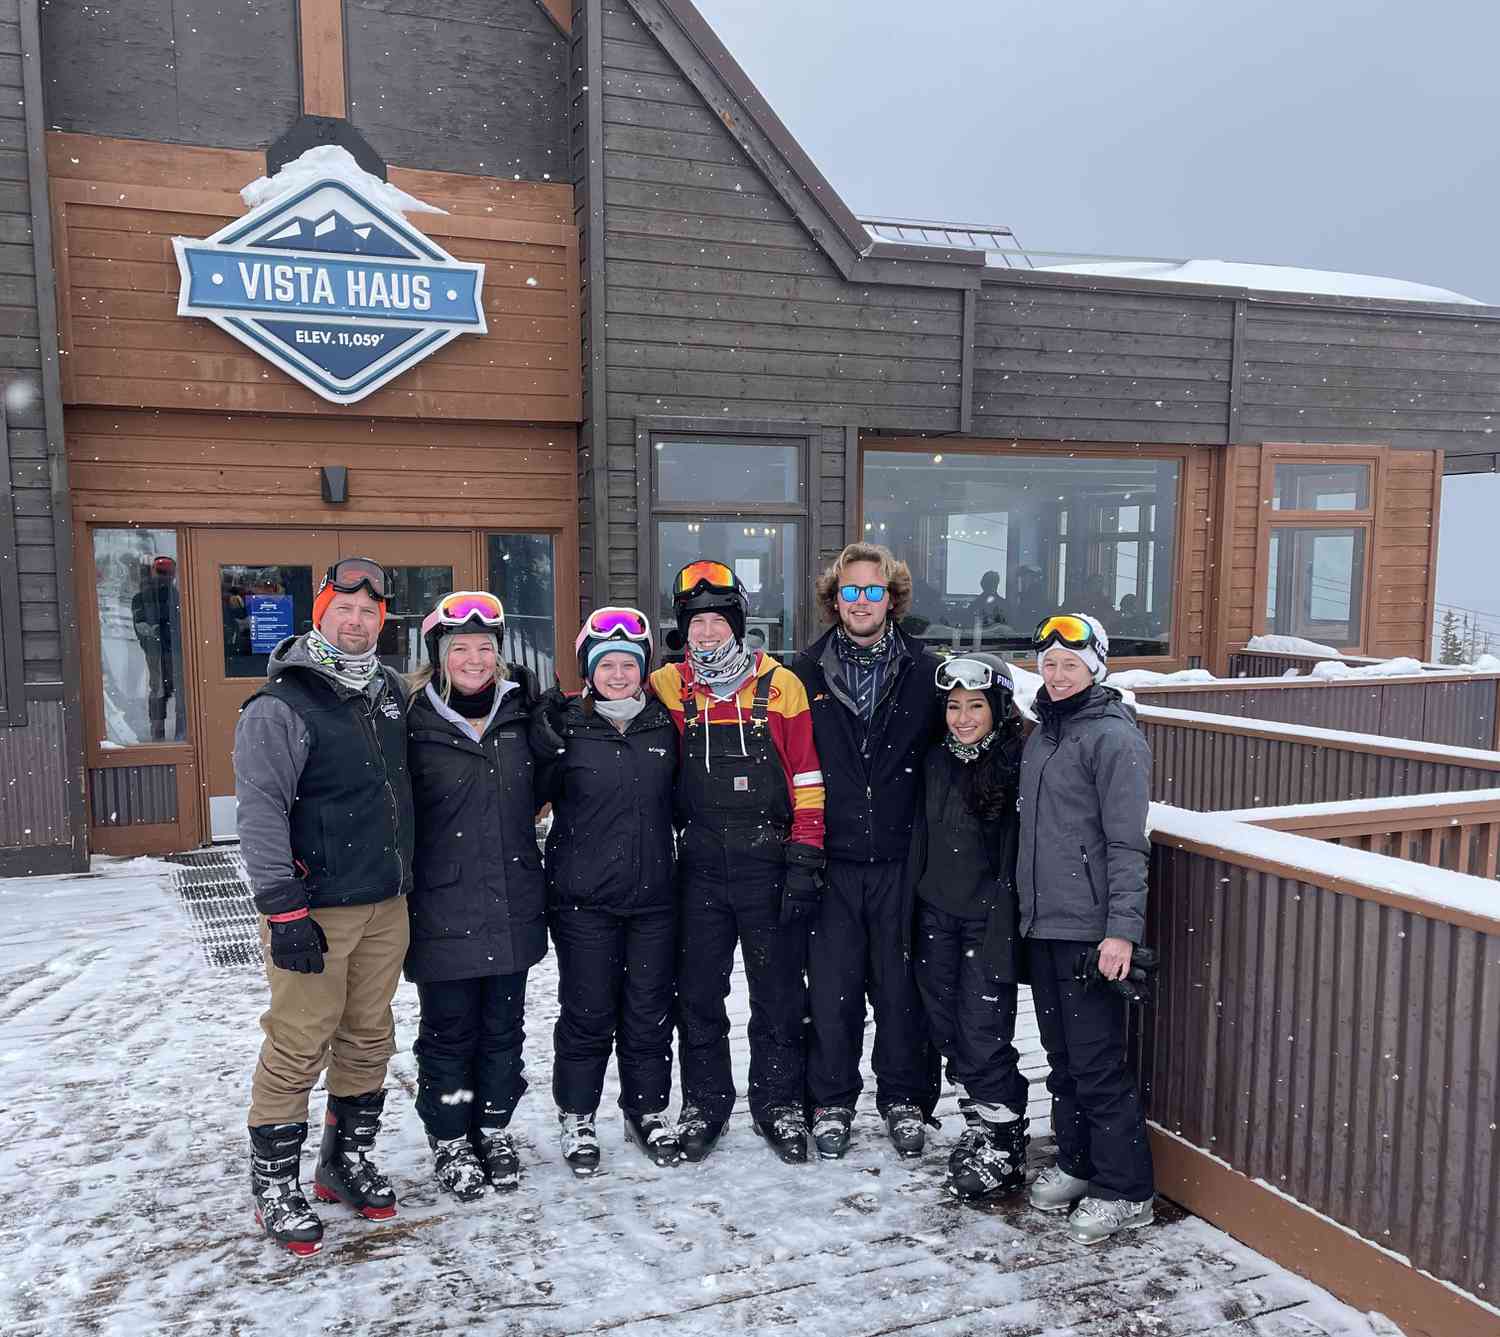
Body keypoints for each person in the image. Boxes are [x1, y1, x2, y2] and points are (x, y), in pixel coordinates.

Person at [235, 557, 414, 1257]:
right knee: (297, 1043)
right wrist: (282, 910)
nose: (358, 621)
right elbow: (259, 813)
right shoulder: (280, 705)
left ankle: (343, 1160)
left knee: (370, 1036)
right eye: (345, 608)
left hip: (384, 902)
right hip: (314, 911)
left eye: (370, 612)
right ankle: (274, 1182)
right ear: (320, 613)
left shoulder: (391, 692)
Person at [650, 561, 826, 1164]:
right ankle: (705, 1102)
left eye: (716, 621)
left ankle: (779, 1103)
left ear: (737, 624)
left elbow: (806, 776)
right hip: (698, 863)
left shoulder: (782, 686)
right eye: (695, 622)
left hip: (769, 862)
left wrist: (805, 855)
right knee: (698, 993)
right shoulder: (668, 686)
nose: (705, 633)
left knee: (777, 993)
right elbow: (609, 708)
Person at [789, 543, 943, 1160]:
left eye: (872, 590)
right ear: (834, 599)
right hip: (832, 857)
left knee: (901, 986)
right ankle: (831, 1100)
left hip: (904, 857)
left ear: (891, 598)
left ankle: (904, 1098)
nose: (860, 601)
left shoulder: (925, 671)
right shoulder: (803, 673)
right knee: (833, 988)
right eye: (849, 591)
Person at [1018, 613, 1156, 1244]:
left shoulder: (1113, 738)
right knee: (1063, 1058)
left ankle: (1128, 1189)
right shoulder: (1044, 731)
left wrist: (1121, 930)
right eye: (1048, 664)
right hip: (1044, 923)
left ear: (1096, 667)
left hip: (1090, 928)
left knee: (1097, 1062)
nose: (1056, 674)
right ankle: (1077, 1161)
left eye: (1069, 664)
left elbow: (1128, 844)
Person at [404, 591, 544, 1202]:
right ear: (439, 657)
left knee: (504, 1029)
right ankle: (450, 1138)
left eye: (485, 647)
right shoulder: (410, 722)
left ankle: (491, 1127)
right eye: (459, 648)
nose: (474, 659)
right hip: (442, 906)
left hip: (512, 900)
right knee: (448, 1032)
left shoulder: (525, 716)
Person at [530, 607, 680, 1176]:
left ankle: (645, 1110)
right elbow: (526, 800)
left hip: (654, 899)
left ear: (643, 669)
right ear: (588, 670)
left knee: (648, 1012)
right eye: (606, 664)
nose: (618, 674)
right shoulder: (565, 726)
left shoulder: (666, 725)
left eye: (628, 664)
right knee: (587, 1013)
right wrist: (536, 739)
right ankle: (578, 1113)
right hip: (583, 900)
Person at [908, 653, 1028, 1200]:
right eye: (953, 706)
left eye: (975, 706)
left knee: (983, 1029)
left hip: (988, 921)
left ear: (997, 707)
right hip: (936, 912)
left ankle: (1005, 1139)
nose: (962, 717)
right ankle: (978, 1121)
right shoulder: (934, 761)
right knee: (945, 1024)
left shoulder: (1017, 761)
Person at [132, 554, 183, 741]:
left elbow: (141, 629)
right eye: (164, 572)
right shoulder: (177, 596)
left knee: (161, 691)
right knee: (173, 690)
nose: (165, 576)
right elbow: (142, 629)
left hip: (163, 651)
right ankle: (171, 732)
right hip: (169, 652)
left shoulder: (142, 597)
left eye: (166, 572)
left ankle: (160, 732)